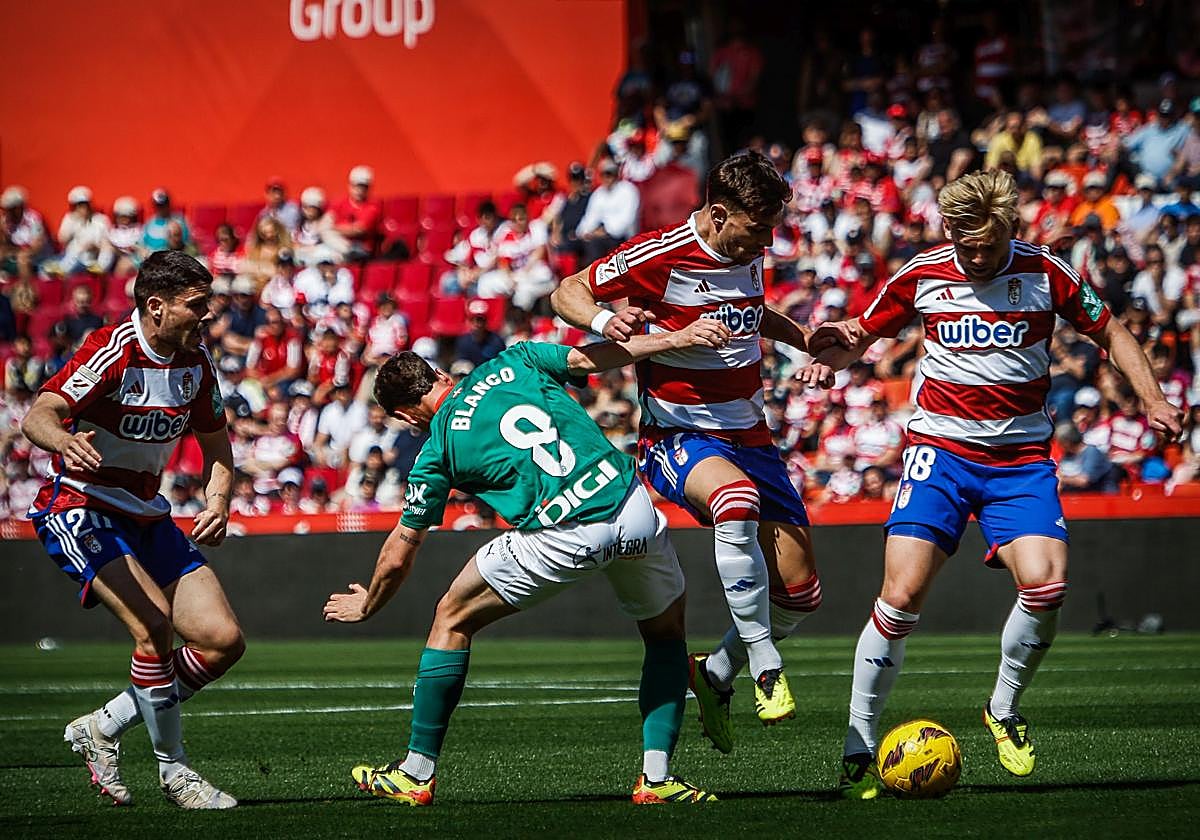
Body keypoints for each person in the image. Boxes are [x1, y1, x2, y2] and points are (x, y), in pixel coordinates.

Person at [800, 169, 1183, 797]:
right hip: (938, 455)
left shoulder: (1046, 272)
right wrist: (826, 358)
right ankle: (859, 743)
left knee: (1048, 584)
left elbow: (1111, 330)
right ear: (947, 228)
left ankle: (1002, 709)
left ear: (1011, 229)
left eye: (987, 245)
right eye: (965, 243)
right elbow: (859, 336)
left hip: (1020, 462)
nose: (975, 256)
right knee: (900, 598)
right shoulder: (923, 272)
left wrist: (1155, 401)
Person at [324, 320, 732, 806]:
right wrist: (675, 338)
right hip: (631, 507)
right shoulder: (514, 359)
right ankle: (657, 778)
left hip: (565, 533)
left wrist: (369, 602)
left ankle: (416, 772)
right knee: (666, 636)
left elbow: (402, 547)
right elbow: (590, 358)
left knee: (451, 617)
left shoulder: (435, 450)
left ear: (406, 413)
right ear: (436, 374)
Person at [551, 151, 825, 753]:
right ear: (720, 213)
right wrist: (603, 320)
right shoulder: (659, 254)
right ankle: (765, 663)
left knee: (801, 593)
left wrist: (804, 339)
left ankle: (717, 672)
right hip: (679, 435)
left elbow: (748, 314)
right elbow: (565, 292)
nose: (768, 241)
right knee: (736, 499)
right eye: (758, 229)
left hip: (751, 434)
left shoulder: (746, 251)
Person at [20, 250, 245, 809]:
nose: (207, 315)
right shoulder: (112, 350)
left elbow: (216, 444)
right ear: (156, 307)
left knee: (222, 642)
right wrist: (64, 439)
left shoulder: (195, 364)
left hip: (146, 511)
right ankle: (176, 774)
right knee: (154, 627)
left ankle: (101, 727)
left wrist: (218, 498)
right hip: (81, 505)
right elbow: (37, 415)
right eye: (197, 305)